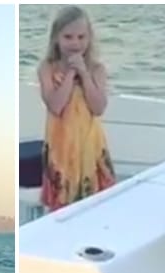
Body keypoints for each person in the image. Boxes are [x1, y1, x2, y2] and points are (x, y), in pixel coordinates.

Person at [38, 5, 116, 212]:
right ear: (56, 37)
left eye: (81, 37)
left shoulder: (97, 70)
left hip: (90, 147)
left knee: (94, 204)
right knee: (61, 205)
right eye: (68, 37)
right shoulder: (47, 68)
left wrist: (84, 74)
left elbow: (98, 108)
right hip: (60, 149)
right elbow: (56, 105)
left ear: (89, 38)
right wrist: (71, 75)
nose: (75, 43)